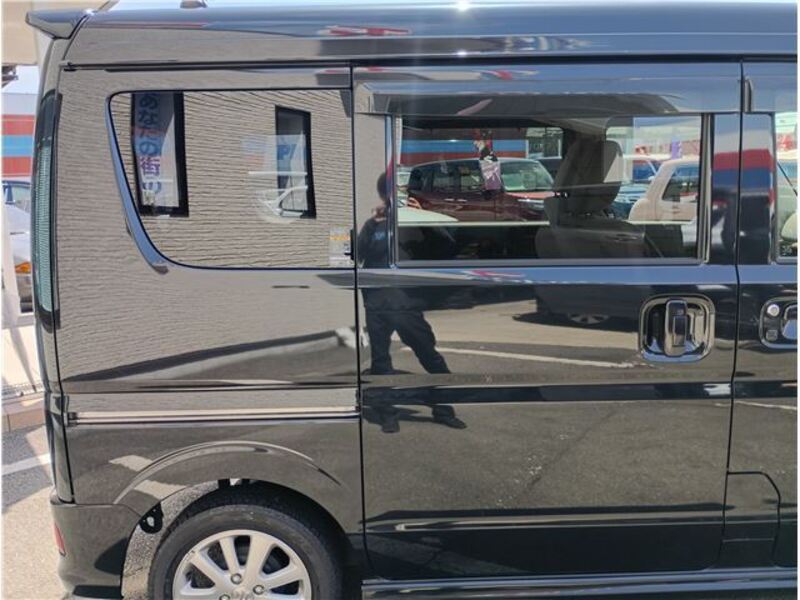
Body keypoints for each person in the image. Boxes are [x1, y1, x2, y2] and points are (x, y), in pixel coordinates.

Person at [358, 172, 466, 432]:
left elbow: (448, 247)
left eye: (400, 189)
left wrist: (424, 217)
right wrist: (372, 224)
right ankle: (387, 413)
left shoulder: (416, 221)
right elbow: (358, 254)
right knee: (380, 362)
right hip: (377, 304)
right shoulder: (374, 224)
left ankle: (444, 409)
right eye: (390, 190)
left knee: (429, 355)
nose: (395, 194)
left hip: (407, 305)